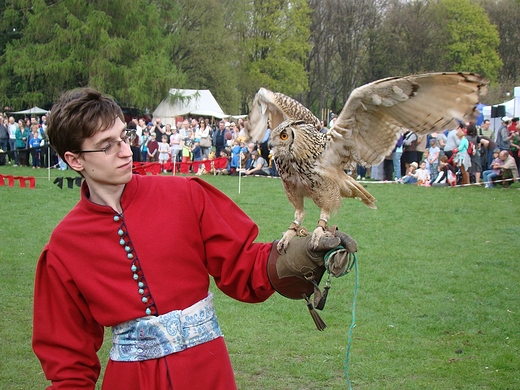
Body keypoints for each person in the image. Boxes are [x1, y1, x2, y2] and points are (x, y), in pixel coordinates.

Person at [32, 87, 356, 389]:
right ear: (75, 160)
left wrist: (292, 256)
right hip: (131, 380)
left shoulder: (184, 195)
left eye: (123, 136)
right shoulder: (65, 246)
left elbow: (241, 263)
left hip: (207, 372)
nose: (125, 150)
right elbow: (68, 361)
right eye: (107, 145)